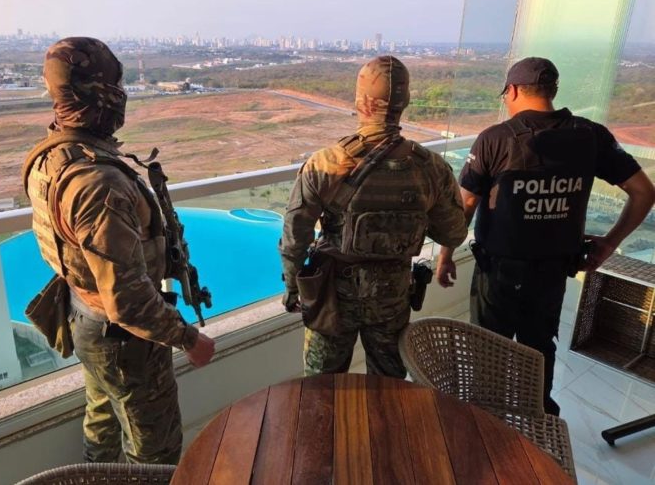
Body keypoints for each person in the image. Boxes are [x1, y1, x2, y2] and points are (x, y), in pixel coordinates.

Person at [22, 37, 215, 464]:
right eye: (115, 87)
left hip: (86, 315)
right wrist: (188, 338)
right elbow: (127, 299)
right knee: (154, 453)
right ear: (99, 94)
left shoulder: (53, 156)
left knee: (103, 421)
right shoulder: (97, 182)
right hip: (121, 338)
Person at [437, 56, 655, 415]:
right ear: (552, 91)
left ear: (513, 91)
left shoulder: (496, 138)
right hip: (553, 271)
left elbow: (467, 205)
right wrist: (609, 243)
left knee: (489, 351)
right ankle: (536, 423)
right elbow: (644, 192)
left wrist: (445, 256)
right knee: (539, 350)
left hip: (498, 272)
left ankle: (487, 423)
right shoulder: (591, 135)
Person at [280, 56, 467, 377]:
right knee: (388, 385)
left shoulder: (326, 164)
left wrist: (293, 288)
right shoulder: (431, 167)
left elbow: (294, 239)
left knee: (322, 388)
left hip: (332, 298)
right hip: (392, 297)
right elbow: (453, 233)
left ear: (359, 102)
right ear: (405, 103)